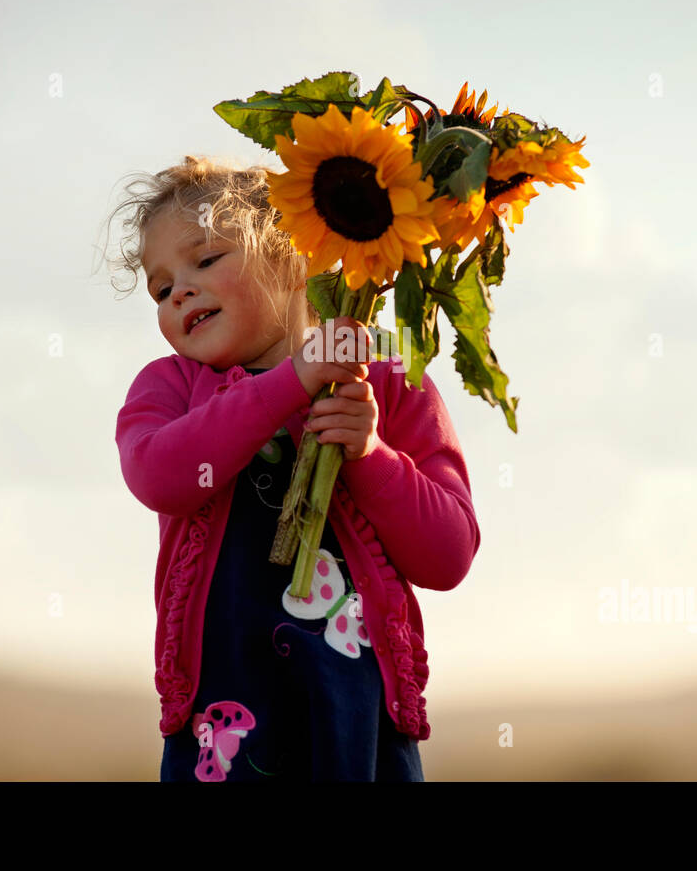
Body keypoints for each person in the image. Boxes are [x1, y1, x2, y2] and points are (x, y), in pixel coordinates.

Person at [107, 155, 480, 781]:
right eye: (161, 287)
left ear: (291, 255)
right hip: (222, 720)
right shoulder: (168, 385)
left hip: (357, 713)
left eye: (205, 260)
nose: (180, 291)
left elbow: (448, 555)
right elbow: (159, 476)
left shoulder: (384, 382)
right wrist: (290, 382)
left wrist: (369, 454)